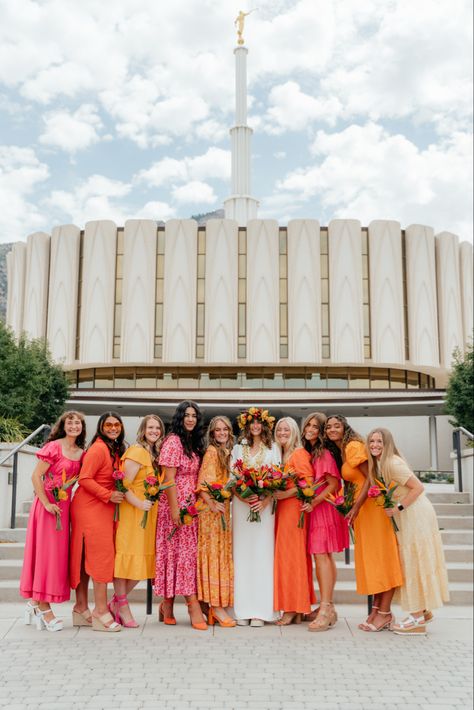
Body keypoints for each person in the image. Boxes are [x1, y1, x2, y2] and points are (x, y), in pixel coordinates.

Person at [367, 428, 449, 635]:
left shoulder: (392, 463)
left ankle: (417, 619)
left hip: (415, 515)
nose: (375, 445)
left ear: (388, 444)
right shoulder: (381, 463)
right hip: (407, 517)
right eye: (371, 441)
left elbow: (418, 487)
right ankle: (422, 610)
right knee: (411, 561)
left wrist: (398, 508)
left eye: (379, 442)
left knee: (413, 562)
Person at [325, 415, 403, 632]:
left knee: (382, 559)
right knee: (373, 560)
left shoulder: (352, 446)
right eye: (328, 427)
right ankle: (376, 611)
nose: (332, 429)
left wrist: (356, 506)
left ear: (345, 427)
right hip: (364, 510)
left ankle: (385, 613)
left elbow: (371, 476)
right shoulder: (343, 449)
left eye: (336, 426)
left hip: (372, 508)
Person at [20, 411, 86, 632]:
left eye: (78, 423)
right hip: (48, 508)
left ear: (82, 427)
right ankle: (44, 608)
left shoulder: (81, 453)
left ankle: (33, 602)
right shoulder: (53, 447)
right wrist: (47, 503)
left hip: (64, 508)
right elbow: (35, 476)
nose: (74, 426)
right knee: (46, 556)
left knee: (56, 557)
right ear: (63, 425)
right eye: (70, 422)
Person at [70, 412, 126, 632]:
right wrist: (107, 495)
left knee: (87, 558)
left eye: (116, 424)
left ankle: (80, 608)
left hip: (100, 507)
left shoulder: (112, 448)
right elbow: (84, 478)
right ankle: (100, 611)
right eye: (108, 424)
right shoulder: (98, 448)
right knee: (101, 557)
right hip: (90, 507)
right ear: (101, 427)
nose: (113, 428)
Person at [154, 401, 207, 630]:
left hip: (191, 507)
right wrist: (175, 510)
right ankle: (190, 603)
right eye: (186, 415)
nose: (190, 419)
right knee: (174, 554)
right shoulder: (173, 441)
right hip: (174, 506)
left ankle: (167, 604)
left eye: (194, 415)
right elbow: (168, 480)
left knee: (184, 555)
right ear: (179, 417)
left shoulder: (193, 443)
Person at [112, 414, 165, 628]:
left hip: (148, 515)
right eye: (150, 427)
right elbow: (123, 484)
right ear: (143, 430)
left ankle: (116, 603)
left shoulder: (153, 453)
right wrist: (138, 503)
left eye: (158, 428)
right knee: (127, 561)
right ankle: (122, 607)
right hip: (133, 514)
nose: (154, 431)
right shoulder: (136, 451)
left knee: (142, 562)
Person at [231, 407, 280, 626]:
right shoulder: (237, 449)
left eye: (259, 422)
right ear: (246, 426)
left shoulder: (273, 448)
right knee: (242, 555)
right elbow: (232, 479)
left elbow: (277, 478)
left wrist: (265, 499)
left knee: (262, 555)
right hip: (242, 509)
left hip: (263, 508)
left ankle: (260, 611)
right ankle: (242, 610)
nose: (256, 426)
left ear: (265, 425)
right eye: (252, 422)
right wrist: (243, 498)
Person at [300, 412, 349, 632]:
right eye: (308, 425)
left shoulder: (323, 453)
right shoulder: (312, 451)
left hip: (324, 508)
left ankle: (326, 608)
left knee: (322, 556)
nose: (310, 429)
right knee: (323, 557)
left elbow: (332, 482)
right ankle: (328, 607)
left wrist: (314, 501)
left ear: (321, 432)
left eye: (315, 426)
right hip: (319, 507)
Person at [273, 417, 316, 626]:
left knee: (291, 558)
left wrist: (285, 494)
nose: (282, 433)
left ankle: (291, 608)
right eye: (279, 429)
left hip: (293, 510)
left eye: (286, 430)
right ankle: (298, 607)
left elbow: (308, 484)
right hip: (283, 510)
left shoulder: (298, 454)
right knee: (288, 557)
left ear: (295, 433)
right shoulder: (282, 454)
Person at [197, 416, 235, 628]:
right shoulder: (212, 452)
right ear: (212, 434)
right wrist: (213, 504)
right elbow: (203, 484)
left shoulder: (227, 453)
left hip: (222, 509)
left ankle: (213, 604)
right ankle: (215, 606)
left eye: (225, 430)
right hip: (211, 513)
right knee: (213, 556)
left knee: (221, 556)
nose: (221, 433)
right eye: (217, 430)